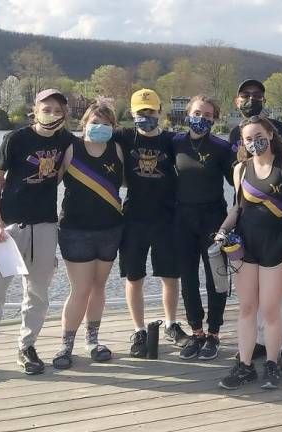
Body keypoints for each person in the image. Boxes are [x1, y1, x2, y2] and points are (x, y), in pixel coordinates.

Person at [0, 89, 73, 384]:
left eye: (57, 109)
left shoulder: (66, 141)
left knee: (37, 294)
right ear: (35, 109)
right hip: (9, 227)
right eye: (46, 108)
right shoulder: (15, 139)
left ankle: (27, 348)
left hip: (45, 226)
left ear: (64, 113)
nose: (51, 113)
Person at [227, 79, 282, 370]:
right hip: (250, 218)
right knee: (254, 298)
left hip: (280, 228)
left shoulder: (281, 128)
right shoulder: (235, 133)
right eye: (245, 95)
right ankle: (258, 341)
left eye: (257, 95)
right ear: (237, 101)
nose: (251, 99)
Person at [217, 115, 282, 390]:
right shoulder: (240, 169)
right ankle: (245, 366)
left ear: (270, 134)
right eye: (248, 139)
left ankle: (272, 365)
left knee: (270, 310)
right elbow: (237, 207)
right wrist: (223, 230)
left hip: (277, 247)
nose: (253, 143)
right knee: (247, 308)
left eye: (258, 136)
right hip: (245, 247)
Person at [113, 89, 187, 358]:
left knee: (170, 275)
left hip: (167, 217)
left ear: (160, 113)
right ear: (132, 114)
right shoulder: (124, 136)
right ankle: (139, 330)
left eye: (151, 112)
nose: (146, 117)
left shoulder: (171, 141)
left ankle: (171, 324)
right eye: (140, 113)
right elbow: (92, 132)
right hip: (134, 217)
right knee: (134, 277)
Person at [52, 99, 124, 369]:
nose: (100, 127)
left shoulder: (117, 149)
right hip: (75, 230)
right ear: (84, 124)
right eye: (95, 122)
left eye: (106, 124)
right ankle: (66, 344)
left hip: (110, 228)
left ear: (113, 127)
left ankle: (92, 340)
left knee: (98, 288)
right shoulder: (71, 148)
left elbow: (131, 180)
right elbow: (50, 182)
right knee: (80, 289)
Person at [174, 94, 236, 361]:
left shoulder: (221, 148)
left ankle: (213, 333)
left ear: (214, 119)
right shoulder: (174, 143)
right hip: (183, 219)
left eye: (208, 116)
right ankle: (196, 332)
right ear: (187, 114)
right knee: (188, 277)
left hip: (213, 219)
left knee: (216, 279)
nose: (202, 119)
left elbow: (239, 182)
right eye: (197, 113)